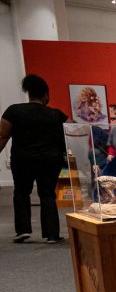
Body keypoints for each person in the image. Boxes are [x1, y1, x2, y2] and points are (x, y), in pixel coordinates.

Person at [0, 74, 68, 244]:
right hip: (50, 160)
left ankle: (23, 230)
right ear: (46, 94)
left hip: (22, 159)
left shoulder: (13, 111)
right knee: (47, 194)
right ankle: (52, 234)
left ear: (29, 93)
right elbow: (71, 133)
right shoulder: (56, 114)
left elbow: (2, 135)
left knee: (21, 192)